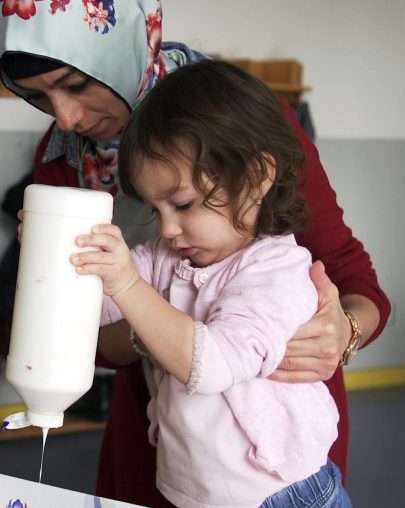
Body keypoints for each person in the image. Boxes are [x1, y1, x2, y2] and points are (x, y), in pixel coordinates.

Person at [0, 1, 391, 506]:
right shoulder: (63, 157)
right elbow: (91, 334)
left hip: (272, 458)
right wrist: (58, 264)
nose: (66, 119)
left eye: (74, 84)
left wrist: (343, 330)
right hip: (173, 442)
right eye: (38, 97)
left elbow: (355, 278)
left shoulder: (237, 124)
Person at [72, 58, 349, 507]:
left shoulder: (276, 270)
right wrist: (63, 249)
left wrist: (126, 286)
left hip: (280, 494)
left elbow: (214, 365)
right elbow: (97, 306)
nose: (166, 229)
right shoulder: (173, 256)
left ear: (257, 177)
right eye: (154, 210)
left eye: (182, 204)